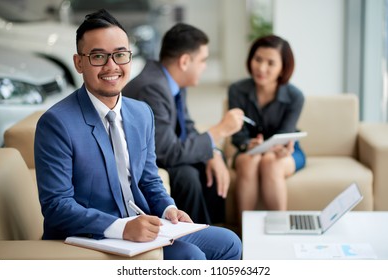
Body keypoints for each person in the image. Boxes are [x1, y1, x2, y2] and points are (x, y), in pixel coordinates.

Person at [34, 9, 241, 260]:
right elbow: (57, 207)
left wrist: (168, 209)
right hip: (89, 235)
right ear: (79, 63)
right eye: (98, 56)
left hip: (143, 225)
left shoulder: (142, 113)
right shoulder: (57, 123)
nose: (112, 66)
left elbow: (149, 179)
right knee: (191, 257)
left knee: (230, 243)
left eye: (120, 55)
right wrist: (122, 227)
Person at [123, 23, 244, 225]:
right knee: (187, 175)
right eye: (203, 60)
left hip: (164, 151)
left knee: (209, 164)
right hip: (141, 160)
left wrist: (212, 152)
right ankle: (199, 236)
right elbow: (167, 152)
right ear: (185, 61)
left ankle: (215, 232)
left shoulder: (174, 81)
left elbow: (187, 126)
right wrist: (220, 130)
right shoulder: (152, 87)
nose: (205, 66)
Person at [228, 35, 306, 223]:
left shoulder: (295, 96)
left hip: (284, 152)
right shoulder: (237, 90)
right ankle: (243, 237)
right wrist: (248, 144)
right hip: (249, 150)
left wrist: (281, 148)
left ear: (282, 68)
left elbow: (285, 135)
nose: (261, 68)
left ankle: (279, 232)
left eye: (271, 63)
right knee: (250, 161)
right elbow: (237, 136)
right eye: (258, 59)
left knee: (270, 162)